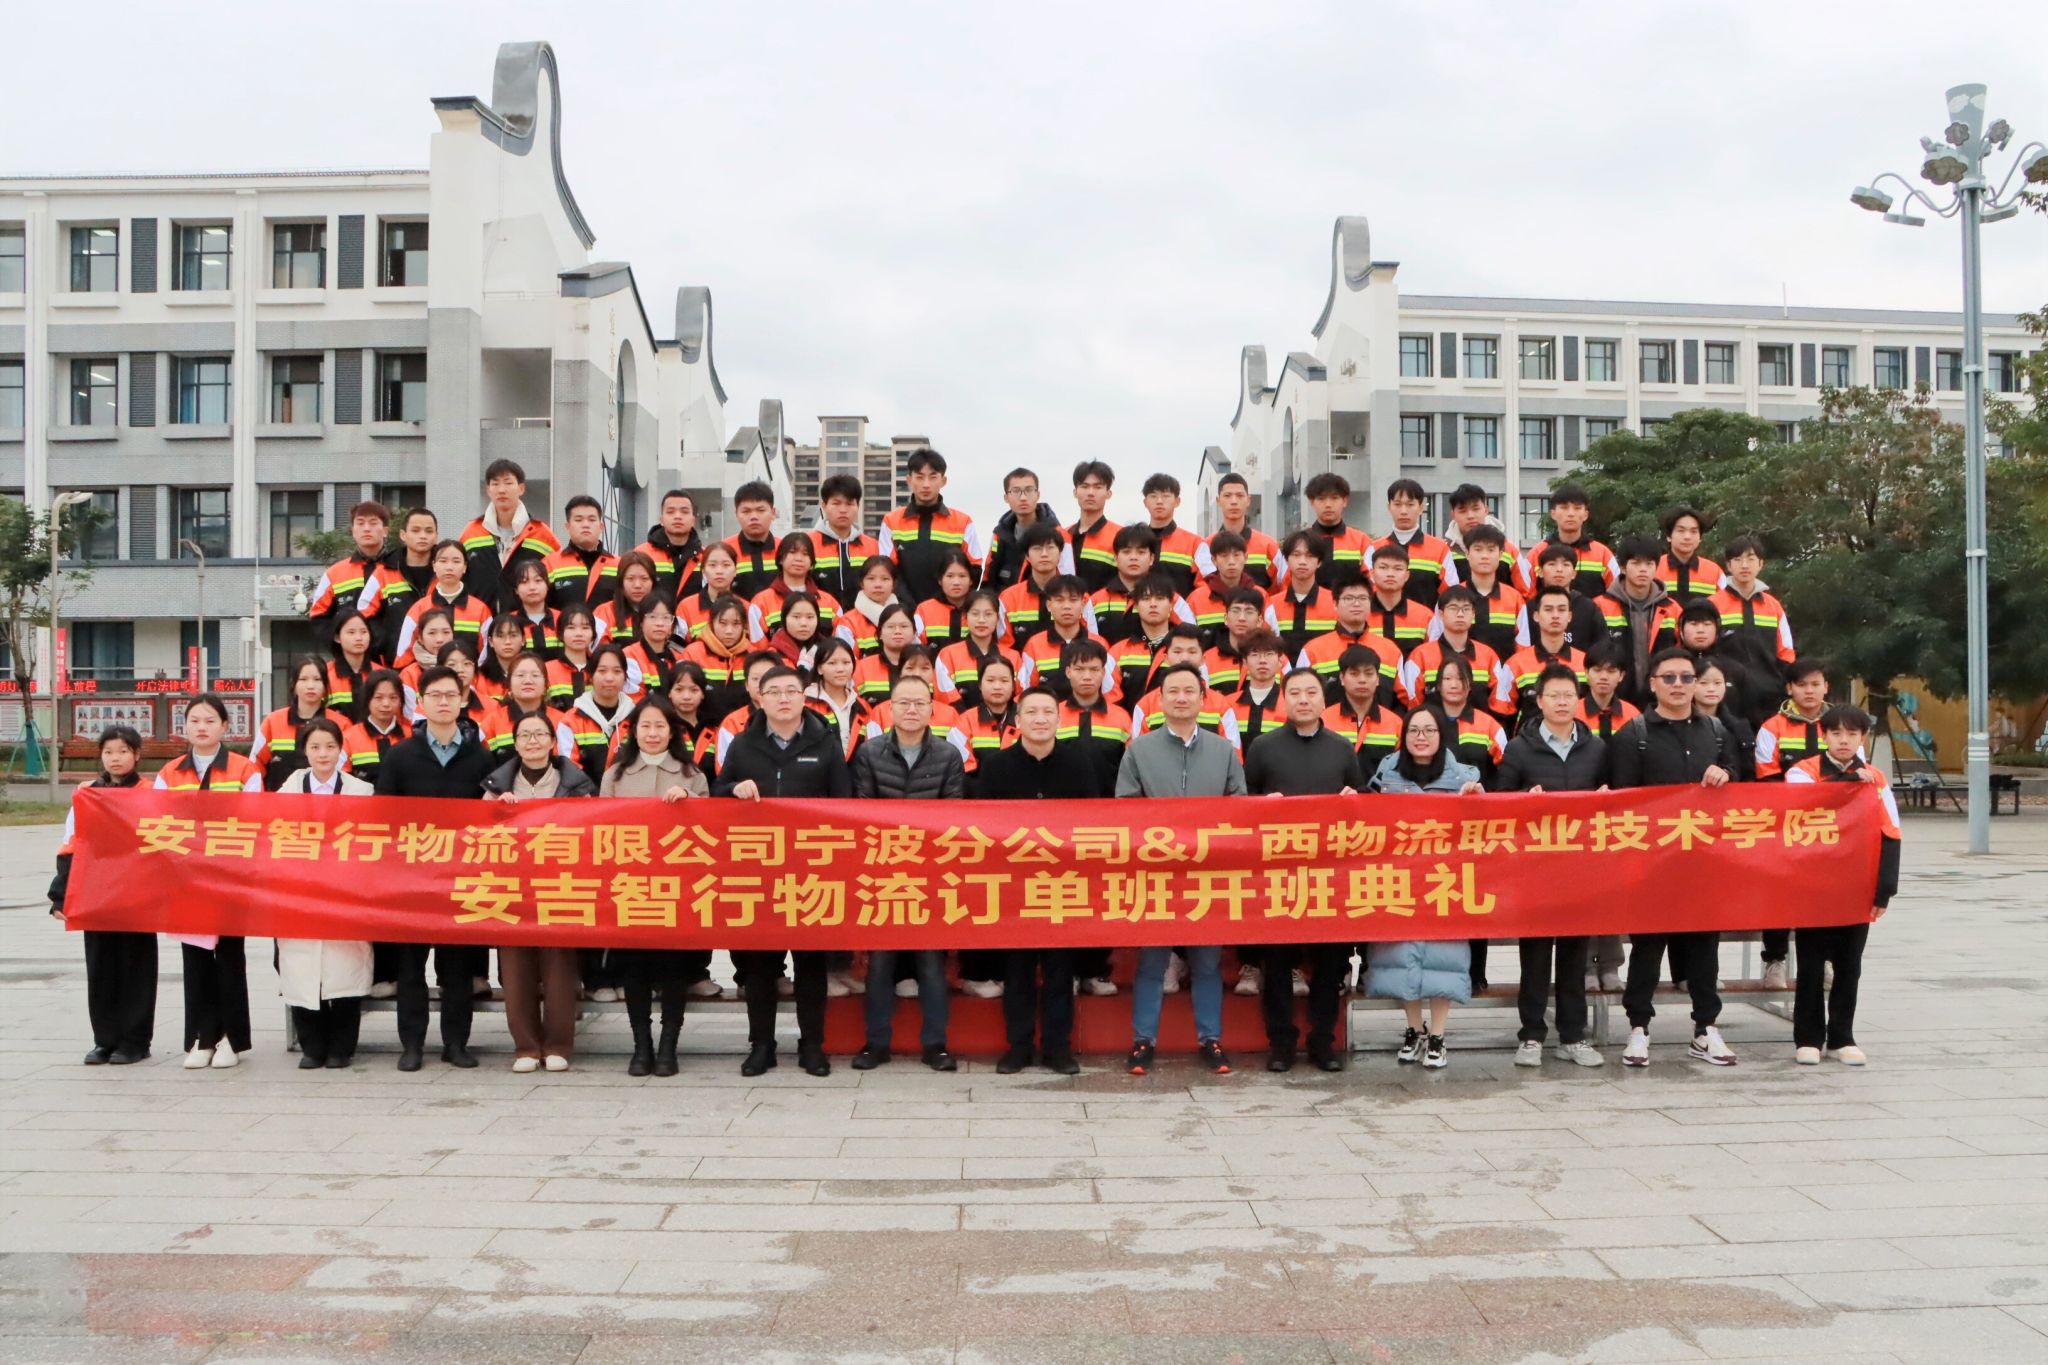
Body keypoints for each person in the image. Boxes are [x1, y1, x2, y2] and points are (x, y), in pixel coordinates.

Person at [714, 664, 852, 1077]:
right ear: (759, 698)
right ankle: (762, 1045)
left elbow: (844, 802)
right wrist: (733, 789)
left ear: (804, 696)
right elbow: (718, 792)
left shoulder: (826, 743)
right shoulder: (743, 745)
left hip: (810, 871)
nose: (784, 698)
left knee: (811, 965)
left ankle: (812, 1045)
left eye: (791, 690)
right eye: (774, 692)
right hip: (758, 872)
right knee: (760, 967)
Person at [1612, 647, 1744, 1069]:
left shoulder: (1717, 731)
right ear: (1652, 684)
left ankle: (1706, 1028)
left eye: (1687, 678)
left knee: (1704, 950)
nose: (1678, 685)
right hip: (1652, 865)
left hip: (1704, 863)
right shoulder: (1633, 735)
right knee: (1648, 948)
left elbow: (1739, 777)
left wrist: (1727, 773)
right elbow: (1622, 802)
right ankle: (1638, 1028)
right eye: (1668, 678)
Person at [1117, 662, 1247, 1077]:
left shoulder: (1223, 750)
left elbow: (1240, 808)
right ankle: (1143, 1041)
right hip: (1156, 874)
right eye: (1172, 691)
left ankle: (1211, 1040)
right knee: (1152, 962)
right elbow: (1125, 810)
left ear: (1203, 698)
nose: (1181, 698)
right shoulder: (1139, 750)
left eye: (1189, 691)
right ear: (1160, 699)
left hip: (1208, 875)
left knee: (1207, 963)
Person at [373, 665, 497, 1071]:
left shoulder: (480, 757)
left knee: (457, 967)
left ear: (463, 700)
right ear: (421, 702)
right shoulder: (400, 755)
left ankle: (455, 1043)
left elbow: (490, 819)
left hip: (460, 878)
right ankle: (411, 1045)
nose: (443, 702)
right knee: (410, 967)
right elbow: (383, 815)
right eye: (435, 695)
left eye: (450, 695)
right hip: (412, 879)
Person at [1243, 668, 1364, 1073]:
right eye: (1294, 693)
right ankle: (1280, 1043)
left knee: (1330, 964)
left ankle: (1322, 1041)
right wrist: (1262, 805)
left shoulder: (1342, 748)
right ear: (1284, 699)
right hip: (1278, 873)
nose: (1303, 700)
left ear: (1324, 700)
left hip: (1331, 875)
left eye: (1311, 692)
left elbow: (1360, 800)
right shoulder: (1263, 747)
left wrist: (1353, 798)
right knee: (1277, 962)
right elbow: (1243, 802)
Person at [978, 686, 1099, 1074]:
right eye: (1031, 712)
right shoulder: (996, 767)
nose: (1040, 719)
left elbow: (1094, 822)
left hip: (1064, 884)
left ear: (1059, 720)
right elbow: (982, 829)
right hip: (1014, 886)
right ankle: (1018, 1047)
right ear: (1018, 721)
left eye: (1048, 711)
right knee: (1017, 971)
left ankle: (1057, 1049)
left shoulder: (1079, 764)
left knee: (1061, 971)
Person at [1495, 664, 1609, 1070]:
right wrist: (1525, 799)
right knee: (1536, 957)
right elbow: (1500, 801)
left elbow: (1614, 799)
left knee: (1575, 957)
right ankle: (1531, 1035)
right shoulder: (1519, 749)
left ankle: (1573, 1036)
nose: (1562, 702)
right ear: (1539, 701)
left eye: (1569, 695)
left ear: (1579, 700)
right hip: (1535, 869)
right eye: (1554, 695)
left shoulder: (1596, 748)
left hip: (1581, 869)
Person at [850, 674, 966, 1071]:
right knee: (881, 962)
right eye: (904, 703)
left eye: (919, 703)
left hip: (931, 874)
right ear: (890, 708)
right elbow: (862, 812)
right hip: (884, 873)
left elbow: (953, 817)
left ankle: (936, 1045)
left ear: (932, 708)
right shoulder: (870, 753)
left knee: (931, 963)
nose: (912, 710)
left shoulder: (948, 755)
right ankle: (875, 1043)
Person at [1364, 707, 1486, 1069]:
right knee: (1401, 957)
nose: (1421, 737)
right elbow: (1366, 817)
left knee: (1442, 960)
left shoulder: (1464, 776)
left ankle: (1438, 1036)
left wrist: (1477, 798)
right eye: (1414, 730)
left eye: (1429, 730)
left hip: (1444, 881)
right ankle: (1414, 1030)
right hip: (1400, 879)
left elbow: (1484, 824)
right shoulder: (1387, 772)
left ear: (1441, 735)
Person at [481, 710, 597, 1072]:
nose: (532, 741)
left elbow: (592, 832)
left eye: (540, 735)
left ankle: (558, 1044)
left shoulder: (576, 785)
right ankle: (526, 1047)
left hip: (560, 883)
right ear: (515, 744)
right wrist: (496, 813)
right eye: (525, 736)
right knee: (515, 969)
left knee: (559, 966)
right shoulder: (496, 787)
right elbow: (478, 836)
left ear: (553, 742)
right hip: (511, 886)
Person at [600, 694, 710, 1073]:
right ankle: (641, 1045)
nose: (652, 733)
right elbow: (601, 830)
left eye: (659, 726)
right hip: (630, 886)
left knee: (673, 968)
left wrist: (691, 800)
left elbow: (712, 827)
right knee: (635, 969)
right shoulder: (615, 775)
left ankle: (668, 1046)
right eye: (645, 726)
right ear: (633, 731)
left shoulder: (691, 773)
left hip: (677, 888)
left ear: (672, 731)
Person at [1787, 704, 1901, 1067]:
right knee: (1809, 965)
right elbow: (1808, 807)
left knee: (1849, 964)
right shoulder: (1802, 772)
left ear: (1862, 738)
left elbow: (1891, 831)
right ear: (1824, 736)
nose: (1843, 740)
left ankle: (1842, 1037)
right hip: (1812, 886)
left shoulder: (1876, 778)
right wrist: (1852, 784)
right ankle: (1808, 1038)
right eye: (1836, 733)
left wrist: (1885, 888)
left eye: (1852, 734)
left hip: (1856, 886)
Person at [155, 693, 263, 1069]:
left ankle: (232, 1038)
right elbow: (157, 821)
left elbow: (254, 823)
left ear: (225, 727)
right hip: (187, 879)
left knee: (230, 958)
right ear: (185, 726)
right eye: (194, 720)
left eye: (210, 720)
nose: (201, 727)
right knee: (195, 957)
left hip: (230, 878)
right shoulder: (169, 773)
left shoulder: (245, 770)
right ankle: (202, 1038)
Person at [50, 725, 155, 1066]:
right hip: (97, 894)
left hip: (136, 895)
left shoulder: (151, 793)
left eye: (123, 751)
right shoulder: (87, 794)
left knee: (136, 967)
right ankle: (104, 1041)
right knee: (101, 967)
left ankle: (135, 1041)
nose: (115, 758)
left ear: (136, 755)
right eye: (109, 752)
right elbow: (72, 843)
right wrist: (60, 895)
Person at [273, 718, 374, 1070]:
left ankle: (342, 1048)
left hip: (345, 892)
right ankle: (311, 1046)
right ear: (305, 750)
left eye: (330, 747)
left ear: (341, 750)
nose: (323, 754)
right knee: (302, 971)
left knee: (344, 968)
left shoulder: (361, 791)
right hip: (299, 892)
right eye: (315, 747)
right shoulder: (287, 791)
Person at [1752, 657, 1836, 988]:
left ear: (1826, 687)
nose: (1809, 691)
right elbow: (1766, 778)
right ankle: (1775, 961)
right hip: (1784, 827)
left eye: (1815, 684)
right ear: (1789, 688)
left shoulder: (1840, 725)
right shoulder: (1772, 728)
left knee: (1823, 897)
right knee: (1779, 895)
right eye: (1801, 685)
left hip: (1828, 828)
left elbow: (1851, 773)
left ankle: (1822, 961)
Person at [1709, 534, 1795, 729]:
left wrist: (1782, 685)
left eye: (1751, 559)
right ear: (1728, 565)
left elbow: (1786, 653)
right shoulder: (1713, 605)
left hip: (1769, 697)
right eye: (1737, 559)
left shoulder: (1774, 606)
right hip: (1727, 697)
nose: (1744, 565)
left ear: (1761, 564)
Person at [880, 448, 987, 605]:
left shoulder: (963, 522)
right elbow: (886, 570)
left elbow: (974, 568)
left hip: (950, 609)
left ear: (943, 481)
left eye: (933, 477)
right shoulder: (891, 521)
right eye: (919, 477)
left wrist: (946, 604)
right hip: (904, 611)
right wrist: (906, 606)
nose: (926, 484)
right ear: (909, 480)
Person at [459, 458, 561, 611]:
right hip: (480, 621)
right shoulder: (471, 533)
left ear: (521, 488)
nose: (502, 490)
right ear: (488, 490)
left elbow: (557, 585)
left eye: (508, 483)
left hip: (525, 622)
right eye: (495, 484)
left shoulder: (542, 534)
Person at [1594, 537, 1681, 703]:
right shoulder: (1600, 606)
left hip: (1662, 700)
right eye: (1636, 563)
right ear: (1623, 567)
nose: (1643, 570)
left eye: (1649, 564)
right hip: (1614, 699)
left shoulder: (1672, 609)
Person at [306, 500, 396, 657]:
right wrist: (340, 645)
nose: (366, 528)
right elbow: (318, 617)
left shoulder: (398, 569)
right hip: (350, 661)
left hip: (393, 661)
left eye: (373, 523)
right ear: (353, 531)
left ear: (385, 531)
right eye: (360, 523)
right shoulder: (334, 573)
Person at [1299, 574, 1403, 707]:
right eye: (1348, 598)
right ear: (1335, 604)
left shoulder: (1391, 650)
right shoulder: (1313, 650)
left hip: (1379, 720)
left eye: (1362, 598)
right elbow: (1301, 696)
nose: (1356, 604)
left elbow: (1403, 701)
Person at [1404, 586, 1506, 717]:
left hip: (1477, 728)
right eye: (1453, 608)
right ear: (1441, 614)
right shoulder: (1419, 656)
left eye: (1466, 609)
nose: (1460, 614)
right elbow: (1413, 705)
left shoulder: (1488, 656)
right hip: (1434, 728)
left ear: (1473, 614)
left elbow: (1499, 704)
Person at [252, 657, 342, 790]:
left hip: (327, 801)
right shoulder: (273, 721)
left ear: (325, 685)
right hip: (279, 801)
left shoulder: (341, 724)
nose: (310, 686)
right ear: (293, 684)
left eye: (317, 679)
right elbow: (254, 767)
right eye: (303, 679)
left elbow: (344, 771)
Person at [1514, 483, 1616, 599]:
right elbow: (1525, 595)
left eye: (1577, 508)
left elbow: (1616, 595)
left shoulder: (1603, 554)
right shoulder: (1536, 553)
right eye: (1564, 508)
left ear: (1586, 515)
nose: (1571, 514)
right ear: (1553, 514)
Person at [1501, 587, 1589, 721]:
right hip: (1528, 734)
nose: (1555, 615)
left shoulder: (1585, 663)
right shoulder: (1515, 665)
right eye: (1548, 609)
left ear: (1569, 616)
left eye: (1561, 610)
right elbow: (1503, 714)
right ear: (1536, 616)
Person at [395, 539, 493, 658]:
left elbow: (486, 657)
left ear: (465, 567)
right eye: (443, 561)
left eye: (456, 561)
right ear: (434, 566)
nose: (449, 567)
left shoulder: (481, 610)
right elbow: (404, 656)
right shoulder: (419, 608)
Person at [983, 467, 1073, 594]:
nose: (1023, 497)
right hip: (1005, 603)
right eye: (1016, 491)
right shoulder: (1000, 534)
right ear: (1006, 497)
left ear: (1038, 495)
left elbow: (1069, 579)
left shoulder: (1058, 533)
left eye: (1029, 490)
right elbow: (988, 579)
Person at [1374, 478, 1458, 605]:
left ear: (1421, 508)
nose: (1403, 511)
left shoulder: (1439, 549)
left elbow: (1451, 594)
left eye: (1410, 504)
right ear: (1389, 507)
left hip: (1426, 618)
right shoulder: (1375, 548)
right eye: (1397, 504)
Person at [937, 590, 1021, 713]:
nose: (981, 620)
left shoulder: (1014, 657)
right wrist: (969, 721)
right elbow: (947, 698)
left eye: (988, 614)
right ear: (965, 617)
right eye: (975, 614)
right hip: (961, 723)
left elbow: (1022, 697)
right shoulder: (947, 655)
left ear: (997, 618)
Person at [750, 533, 845, 642]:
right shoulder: (761, 602)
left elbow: (839, 645)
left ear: (812, 562)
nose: (799, 559)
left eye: (805, 554)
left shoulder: (830, 603)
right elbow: (758, 646)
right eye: (792, 552)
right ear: (780, 559)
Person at [1017, 576, 1100, 699]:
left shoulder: (1098, 644)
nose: (1066, 606)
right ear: (1049, 605)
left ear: (1083, 604)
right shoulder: (1034, 645)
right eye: (1059, 600)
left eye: (1073, 600)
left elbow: (1109, 693)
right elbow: (1025, 691)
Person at [375, 504, 438, 659]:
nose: (423, 536)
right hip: (396, 662)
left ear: (436, 535)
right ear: (403, 535)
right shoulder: (384, 572)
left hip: (440, 660)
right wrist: (385, 643)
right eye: (416, 530)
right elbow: (364, 615)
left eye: (429, 531)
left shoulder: (447, 571)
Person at [1136, 472, 1212, 597]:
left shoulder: (1195, 543)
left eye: (1166, 496)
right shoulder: (1134, 542)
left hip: (1182, 609)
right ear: (1145, 502)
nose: (1159, 501)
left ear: (1177, 501)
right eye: (1153, 496)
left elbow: (1208, 582)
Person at [808, 475, 881, 605]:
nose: (843, 510)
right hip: (821, 616)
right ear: (824, 506)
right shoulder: (808, 544)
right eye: (836, 503)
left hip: (861, 617)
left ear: (858, 505)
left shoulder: (873, 546)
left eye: (849, 504)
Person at [681, 595, 752, 723]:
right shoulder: (693, 653)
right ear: (711, 623)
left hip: (744, 729)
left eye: (736, 624)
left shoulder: (753, 655)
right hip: (703, 729)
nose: (729, 631)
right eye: (723, 623)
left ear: (744, 626)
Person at [996, 521, 1068, 649]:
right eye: (1037, 548)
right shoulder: (1009, 598)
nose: (1044, 554)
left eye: (1050, 547)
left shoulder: (1078, 596)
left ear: (1060, 555)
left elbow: (1089, 641)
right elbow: (1003, 647)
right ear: (1027, 557)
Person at [545, 494, 619, 612]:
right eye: (578, 520)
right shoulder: (550, 564)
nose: (585, 525)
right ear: (567, 526)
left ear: (601, 526)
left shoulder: (619, 565)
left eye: (592, 520)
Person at [1268, 532, 1338, 657]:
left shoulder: (1335, 603)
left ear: (1319, 562)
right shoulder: (1271, 605)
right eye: (1296, 555)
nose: (1302, 562)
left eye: (1310, 556)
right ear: (1286, 560)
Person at [1209, 471, 1282, 587]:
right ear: (1218, 501)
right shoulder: (1206, 546)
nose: (1234, 501)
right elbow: (1201, 586)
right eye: (1227, 496)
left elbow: (1283, 586)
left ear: (1248, 500)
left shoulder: (1268, 546)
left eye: (1239, 495)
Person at [636, 488, 707, 600]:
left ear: (693, 520)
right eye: (670, 512)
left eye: (684, 512)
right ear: (661, 520)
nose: (677, 516)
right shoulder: (641, 554)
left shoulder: (706, 556)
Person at [1304, 472, 1372, 588]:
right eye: (1321, 498)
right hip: (1312, 600)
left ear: (1345, 501)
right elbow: (1288, 582)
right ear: (1312, 502)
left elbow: (1372, 581)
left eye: (1334, 498)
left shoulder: (1361, 541)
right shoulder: (1302, 541)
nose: (1328, 505)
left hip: (1351, 600)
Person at [1067, 460, 1122, 593]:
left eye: (1098, 487)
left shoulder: (1121, 536)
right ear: (1075, 492)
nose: (1090, 493)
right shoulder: (1063, 536)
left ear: (1108, 493)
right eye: (1084, 486)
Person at [724, 480, 784, 599]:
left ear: (773, 513)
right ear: (736, 514)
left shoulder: (785, 549)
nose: (754, 517)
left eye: (761, 510)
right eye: (746, 511)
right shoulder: (724, 550)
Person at [913, 548, 980, 647]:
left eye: (962, 576)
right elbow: (917, 648)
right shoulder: (924, 610)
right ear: (940, 580)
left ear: (971, 580)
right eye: (950, 576)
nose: (956, 582)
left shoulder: (980, 608)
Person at [596, 549, 662, 649]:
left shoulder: (664, 613)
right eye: (630, 579)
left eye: (644, 579)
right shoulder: (605, 612)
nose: (637, 585)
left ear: (653, 582)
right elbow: (600, 652)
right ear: (621, 581)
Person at [1578, 639, 1643, 740]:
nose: (1603, 677)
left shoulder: (1633, 716)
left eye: (1611, 671)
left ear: (1621, 675)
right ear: (1586, 673)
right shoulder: (1573, 713)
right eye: (1597, 670)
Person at [323, 608, 379, 722]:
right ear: (337, 637)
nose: (359, 638)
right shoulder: (325, 675)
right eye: (351, 632)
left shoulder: (380, 674)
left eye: (364, 632)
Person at [840, 556, 904, 655]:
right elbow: (845, 660)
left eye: (885, 579)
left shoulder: (906, 619)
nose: (878, 584)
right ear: (861, 583)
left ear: (894, 584)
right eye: (871, 578)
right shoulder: (848, 623)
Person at [1658, 505, 1722, 602]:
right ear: (1669, 536)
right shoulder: (1655, 568)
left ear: (1700, 537)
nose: (1687, 537)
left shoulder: (1715, 572)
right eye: (1681, 531)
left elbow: (1727, 603)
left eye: (1693, 531)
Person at [546, 607, 600, 708]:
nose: (579, 634)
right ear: (560, 633)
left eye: (585, 628)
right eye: (571, 628)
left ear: (593, 634)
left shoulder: (599, 669)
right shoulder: (546, 670)